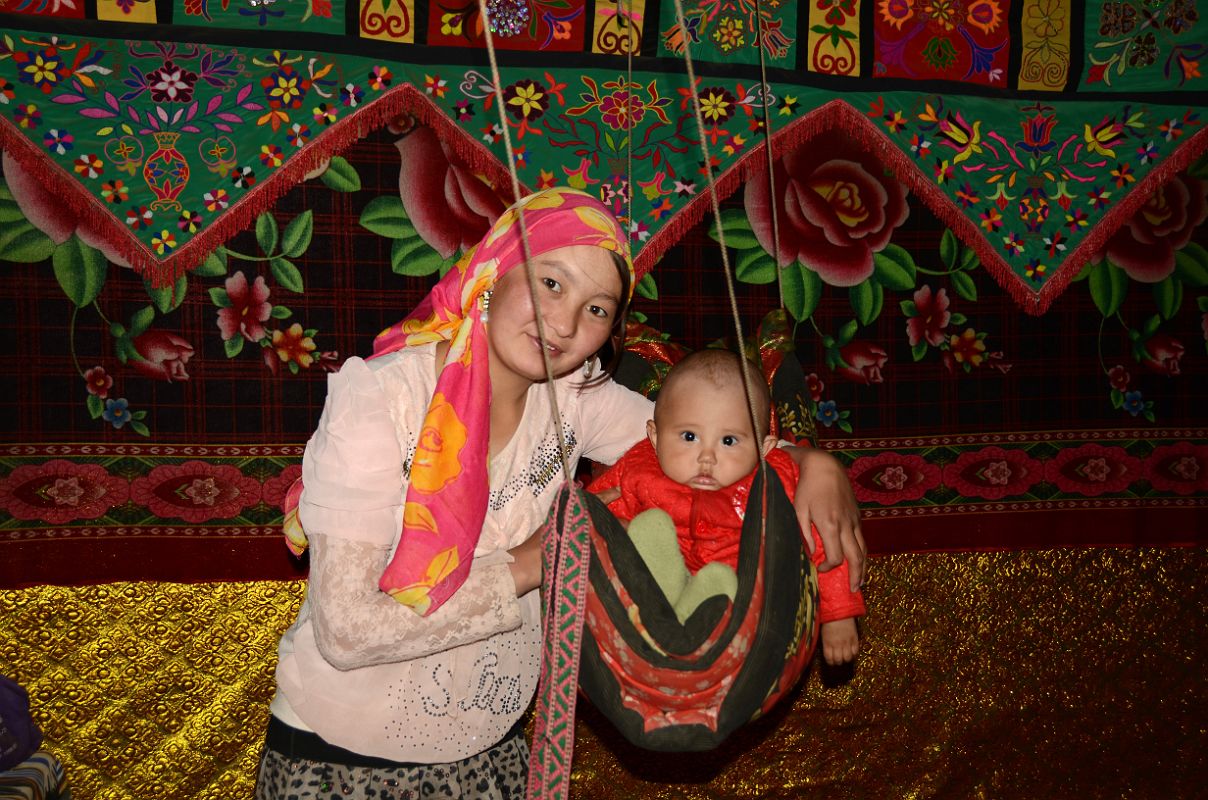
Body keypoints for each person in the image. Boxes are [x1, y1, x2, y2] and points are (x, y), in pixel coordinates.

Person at [258, 187, 867, 798]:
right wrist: (531, 562)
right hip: (341, 761)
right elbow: (347, 631)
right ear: (495, 273)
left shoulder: (577, 399)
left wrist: (815, 465)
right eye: (552, 283)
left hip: (493, 759)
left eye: (598, 309)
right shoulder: (382, 398)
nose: (567, 324)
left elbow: (709, 435)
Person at [590, 349, 864, 665]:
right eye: (689, 436)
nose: (707, 457)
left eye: (729, 441)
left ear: (764, 448)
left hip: (743, 610)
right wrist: (598, 528)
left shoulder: (774, 483)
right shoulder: (638, 469)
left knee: (729, 575)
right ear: (654, 437)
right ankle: (665, 624)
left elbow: (821, 544)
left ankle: (699, 621)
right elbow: (595, 510)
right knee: (648, 527)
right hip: (653, 599)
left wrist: (839, 616)